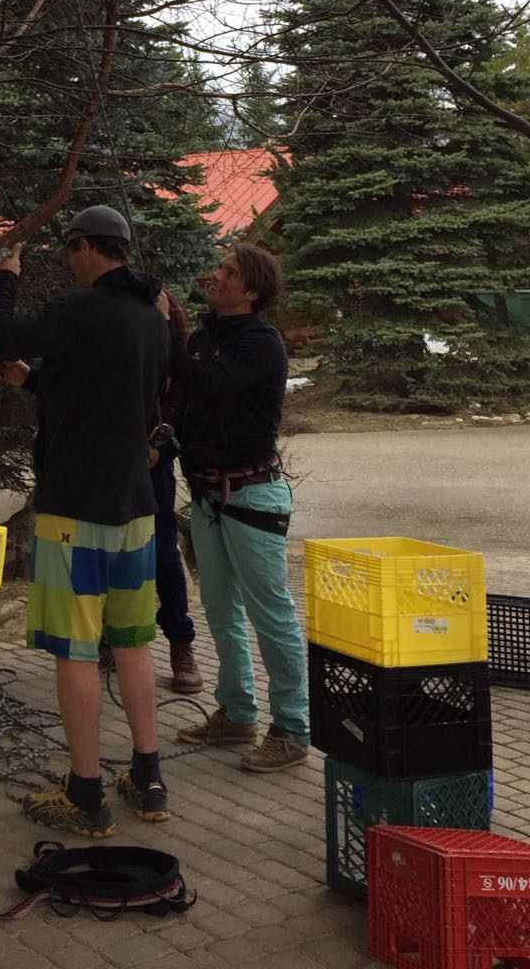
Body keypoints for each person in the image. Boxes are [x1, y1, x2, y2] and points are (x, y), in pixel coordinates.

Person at [0, 205, 172, 836]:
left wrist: (5, 273)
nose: (68, 264)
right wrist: (33, 381)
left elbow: (0, 333)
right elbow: (103, 392)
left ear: (88, 247)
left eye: (70, 252)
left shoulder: (80, 309)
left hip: (73, 514)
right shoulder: (154, 317)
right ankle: (148, 778)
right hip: (136, 509)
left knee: (75, 651)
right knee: (134, 642)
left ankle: (86, 792)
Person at [165, 243, 310, 771]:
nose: (216, 277)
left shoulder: (261, 344)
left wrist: (169, 331)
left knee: (272, 616)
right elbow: (191, 406)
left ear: (251, 290)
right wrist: (167, 443)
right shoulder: (207, 339)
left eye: (228, 273)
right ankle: (238, 713)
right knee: (223, 612)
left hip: (251, 494)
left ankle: (292, 730)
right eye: (219, 269)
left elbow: (204, 381)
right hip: (209, 495)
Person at [148, 288, 203, 695]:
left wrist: (161, 441)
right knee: (107, 547)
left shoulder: (162, 301)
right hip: (104, 454)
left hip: (151, 453)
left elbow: (182, 383)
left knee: (164, 552)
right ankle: (112, 636)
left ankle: (181, 643)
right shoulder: (95, 301)